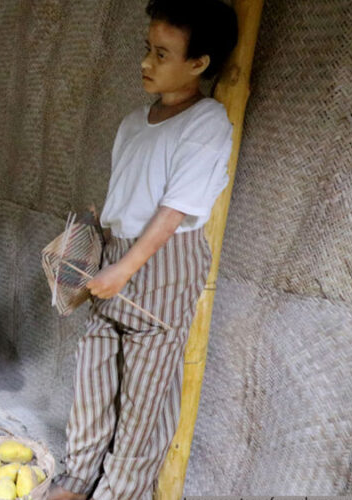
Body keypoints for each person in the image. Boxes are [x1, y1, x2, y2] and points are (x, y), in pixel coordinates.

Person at [50, 1, 238, 499]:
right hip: (118, 253)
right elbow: (133, 192)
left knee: (144, 394)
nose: (146, 63)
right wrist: (103, 223)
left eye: (162, 53)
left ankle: (119, 491)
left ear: (198, 64)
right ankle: (77, 477)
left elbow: (175, 210)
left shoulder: (207, 122)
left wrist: (126, 269)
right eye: (146, 50)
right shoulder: (136, 120)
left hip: (165, 261)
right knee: (93, 366)